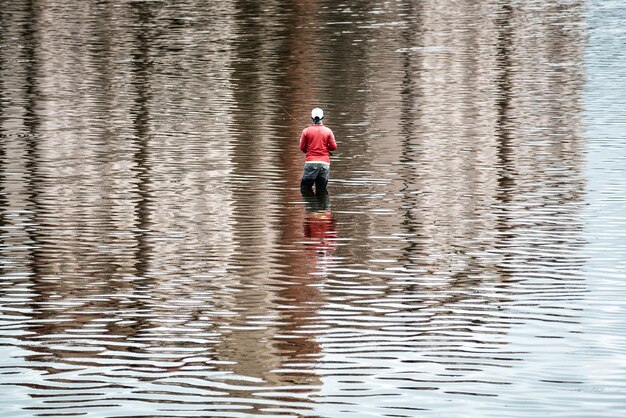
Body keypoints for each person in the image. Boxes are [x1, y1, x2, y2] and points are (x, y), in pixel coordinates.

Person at [299, 107, 337, 191]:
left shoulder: (306, 131)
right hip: (325, 164)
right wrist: (326, 148)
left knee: (305, 189)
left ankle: (311, 203)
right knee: (322, 190)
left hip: (311, 162)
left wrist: (309, 151)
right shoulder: (328, 131)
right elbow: (333, 147)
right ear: (322, 118)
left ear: (311, 118)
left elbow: (302, 147)